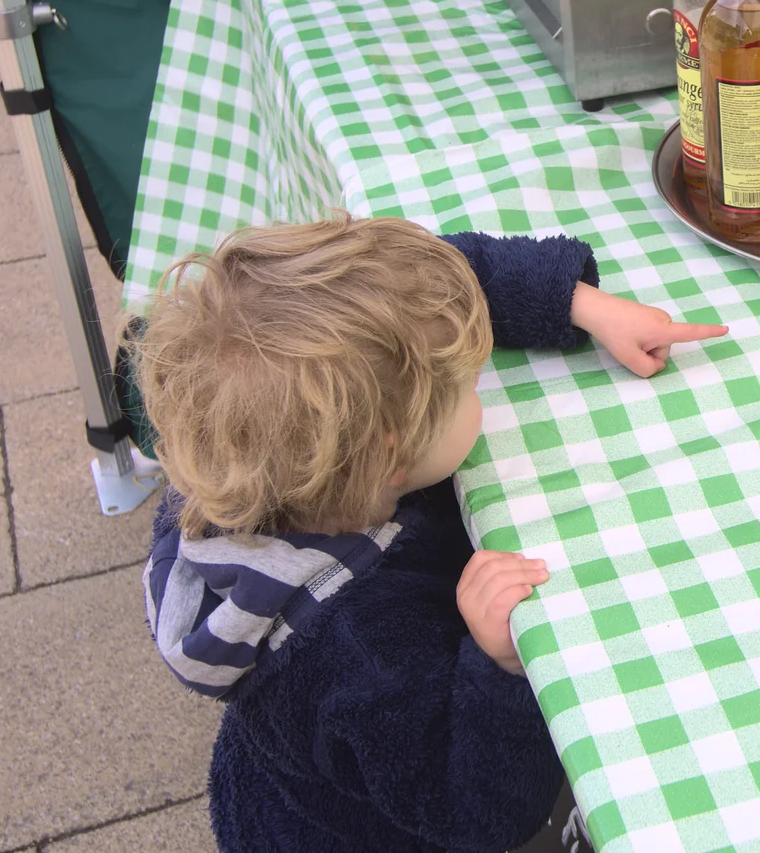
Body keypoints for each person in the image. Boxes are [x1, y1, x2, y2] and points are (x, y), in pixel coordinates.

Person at [137, 215, 726, 852]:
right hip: (370, 831)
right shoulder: (357, 652)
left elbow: (439, 285)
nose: (479, 375)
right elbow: (475, 812)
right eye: (467, 383)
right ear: (394, 455)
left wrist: (583, 305)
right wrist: (496, 665)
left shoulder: (248, 450)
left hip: (285, 778)